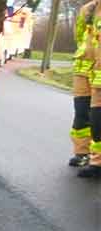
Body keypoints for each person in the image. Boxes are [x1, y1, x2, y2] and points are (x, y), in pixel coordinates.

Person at [71, 1, 96, 169]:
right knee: (81, 112)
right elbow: (79, 35)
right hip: (83, 70)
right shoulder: (88, 9)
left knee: (97, 116)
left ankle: (96, 158)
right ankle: (81, 153)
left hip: (99, 71)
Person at [79, 1, 101, 177]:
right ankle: (95, 160)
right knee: (94, 118)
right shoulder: (89, 9)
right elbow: (81, 38)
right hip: (94, 71)